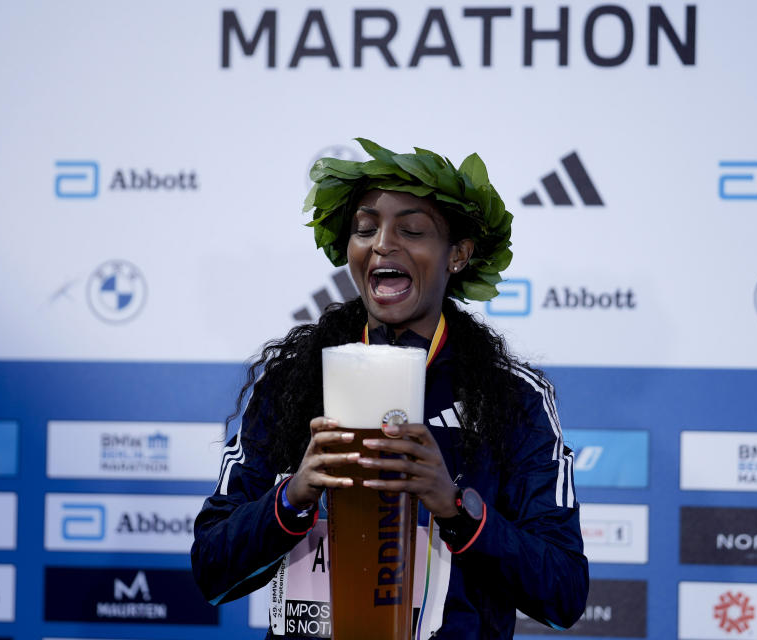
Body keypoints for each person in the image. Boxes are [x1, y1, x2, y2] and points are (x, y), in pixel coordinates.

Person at [191, 138, 589, 638]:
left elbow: (564, 593)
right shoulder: (293, 381)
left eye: (412, 229)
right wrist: (293, 495)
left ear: (458, 255)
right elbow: (210, 570)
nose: (382, 243)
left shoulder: (513, 396)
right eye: (365, 229)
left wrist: (454, 507)